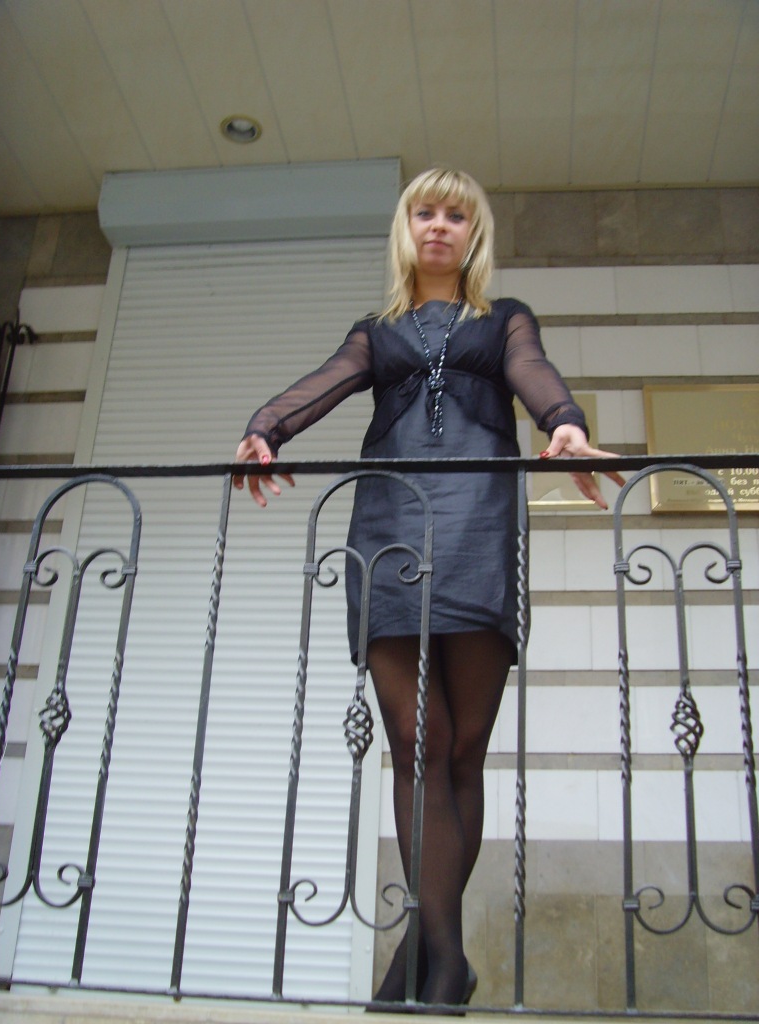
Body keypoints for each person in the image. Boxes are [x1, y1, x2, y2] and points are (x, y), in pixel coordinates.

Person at [233, 168, 622, 1008]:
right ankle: (447, 958)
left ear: (474, 232)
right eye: (424, 212)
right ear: (405, 229)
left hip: (478, 525)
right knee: (418, 739)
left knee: (461, 749)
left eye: (455, 215)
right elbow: (324, 382)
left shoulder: (504, 318)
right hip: (391, 528)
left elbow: (532, 369)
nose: (438, 226)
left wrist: (565, 423)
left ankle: (424, 951)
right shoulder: (376, 332)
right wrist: (265, 429)